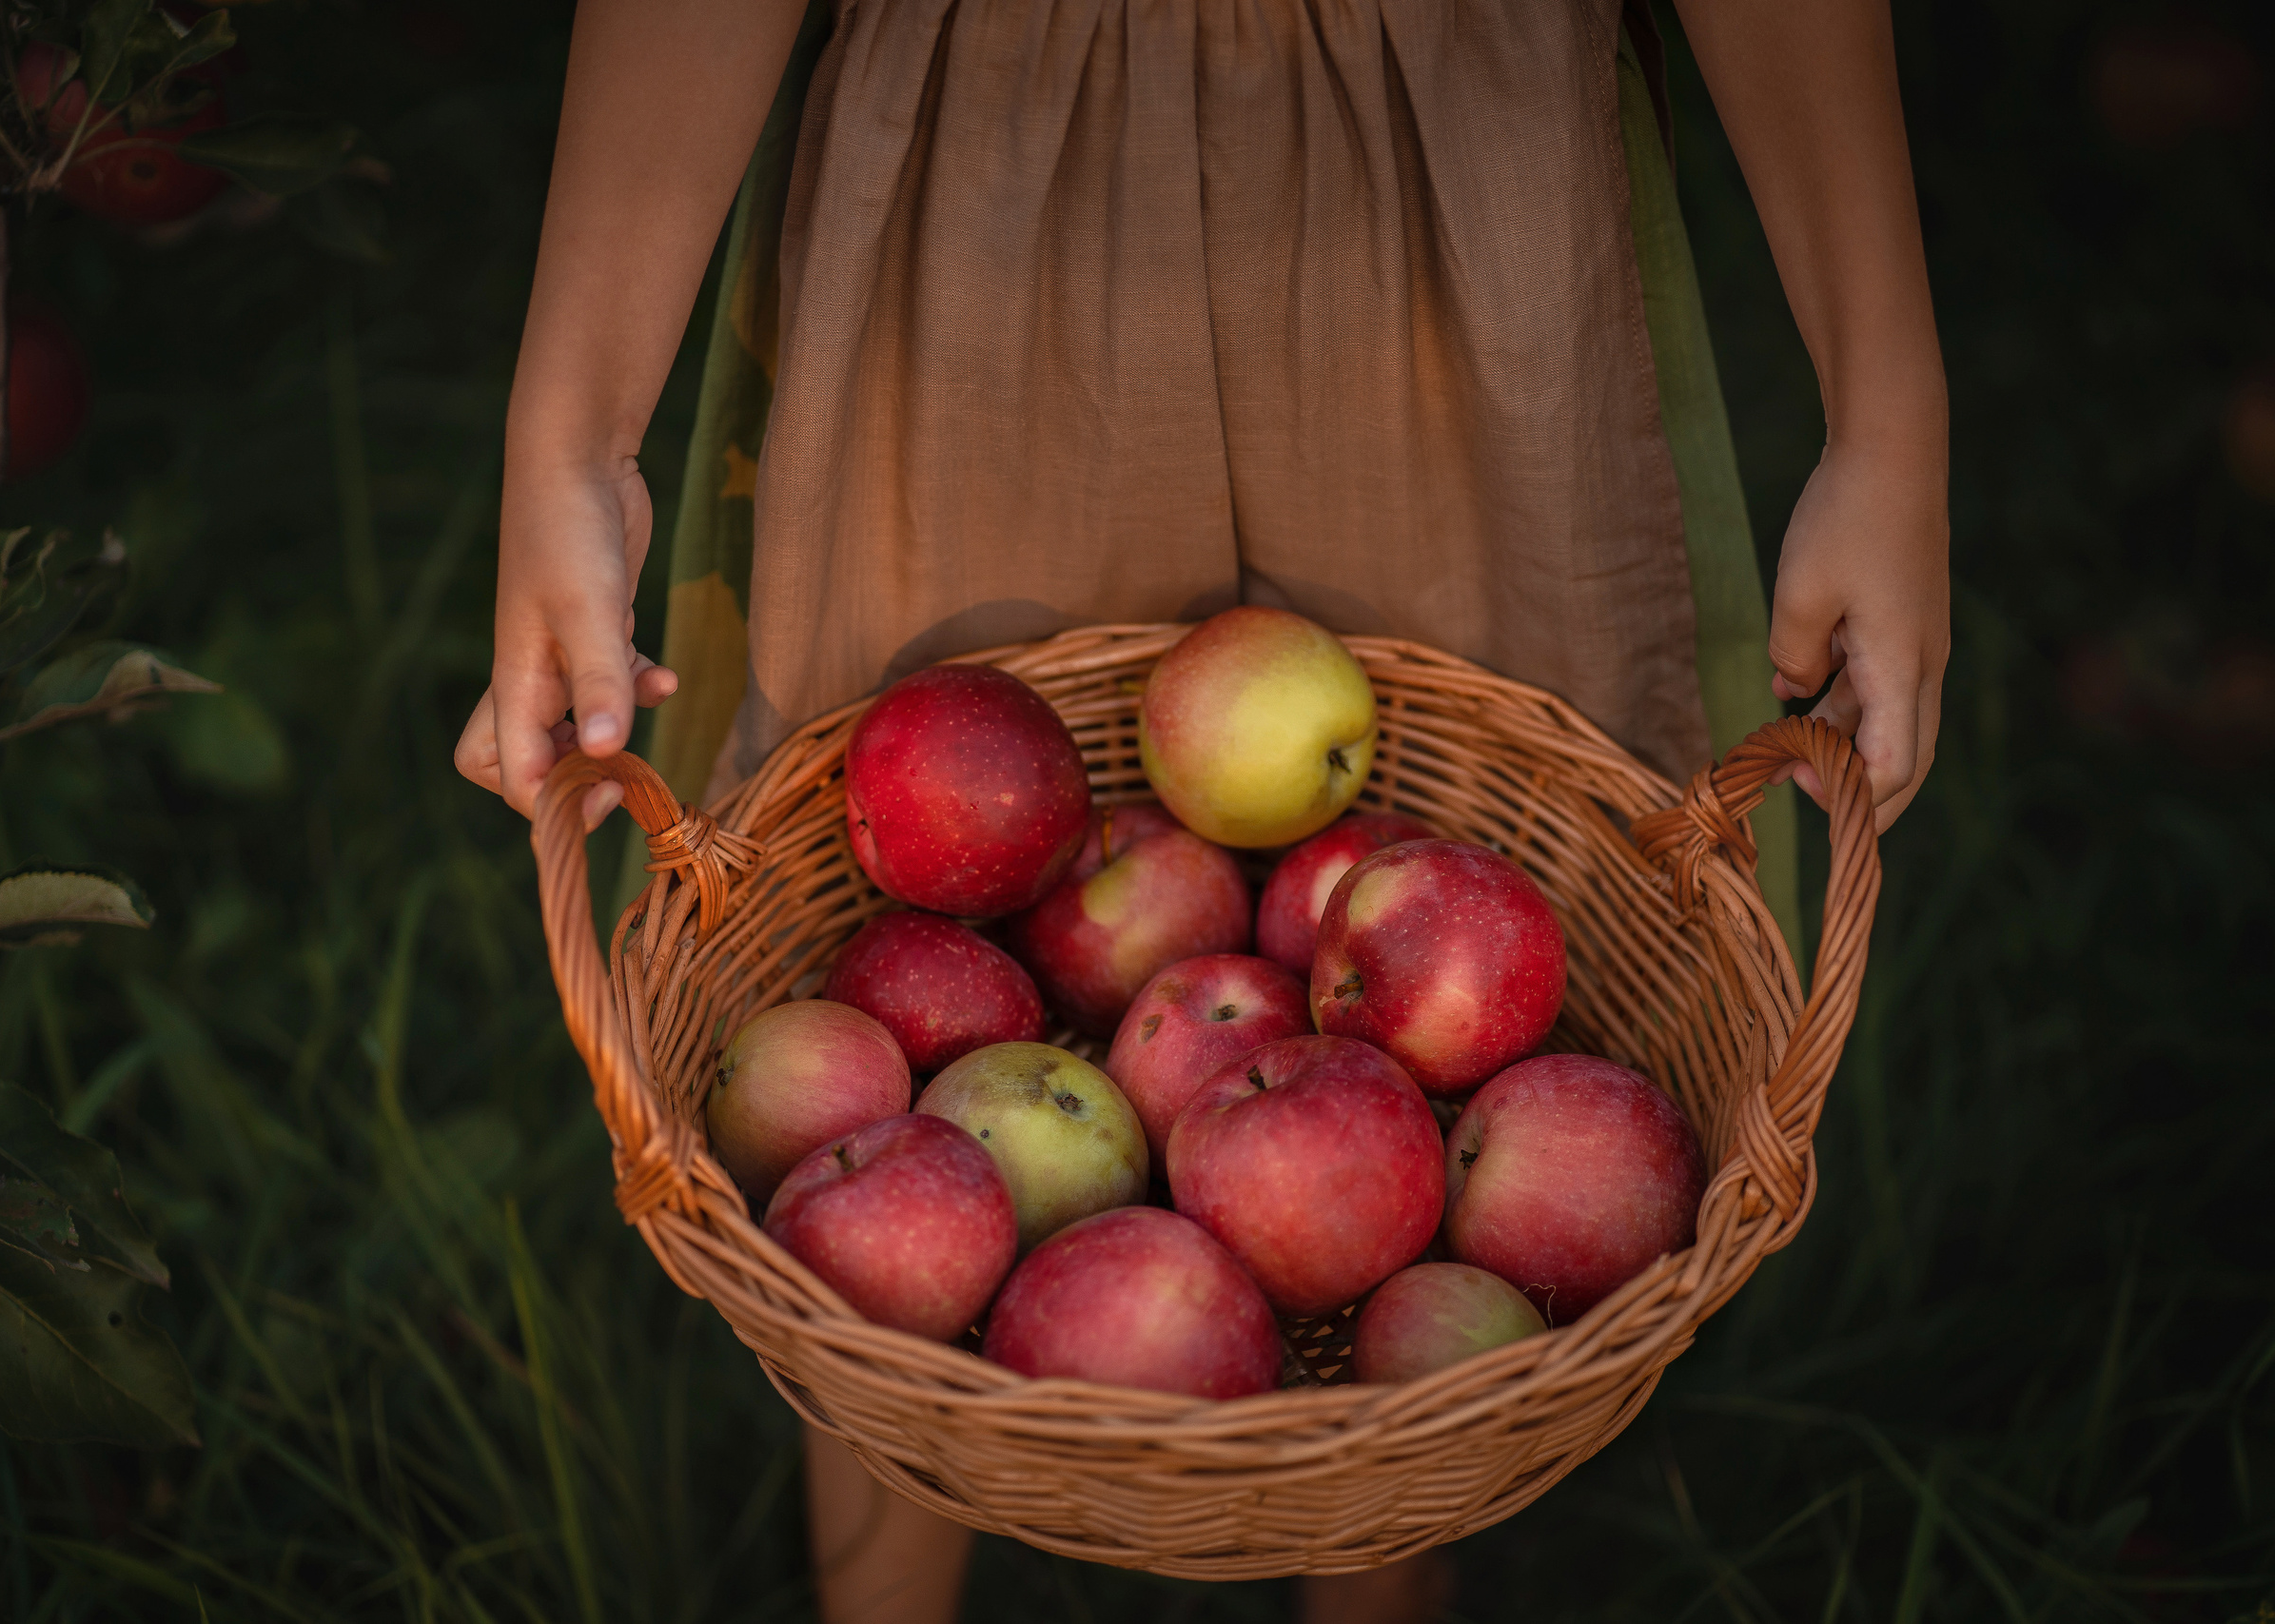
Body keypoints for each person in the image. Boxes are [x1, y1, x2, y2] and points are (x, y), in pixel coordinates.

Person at [456, 2, 1949, 1619]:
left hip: (1449, 171)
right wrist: (575, 430)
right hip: (989, 188)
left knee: (1475, 940)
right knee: (883, 935)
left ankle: (1382, 1564)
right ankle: (880, 1591)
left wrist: (1889, 406)